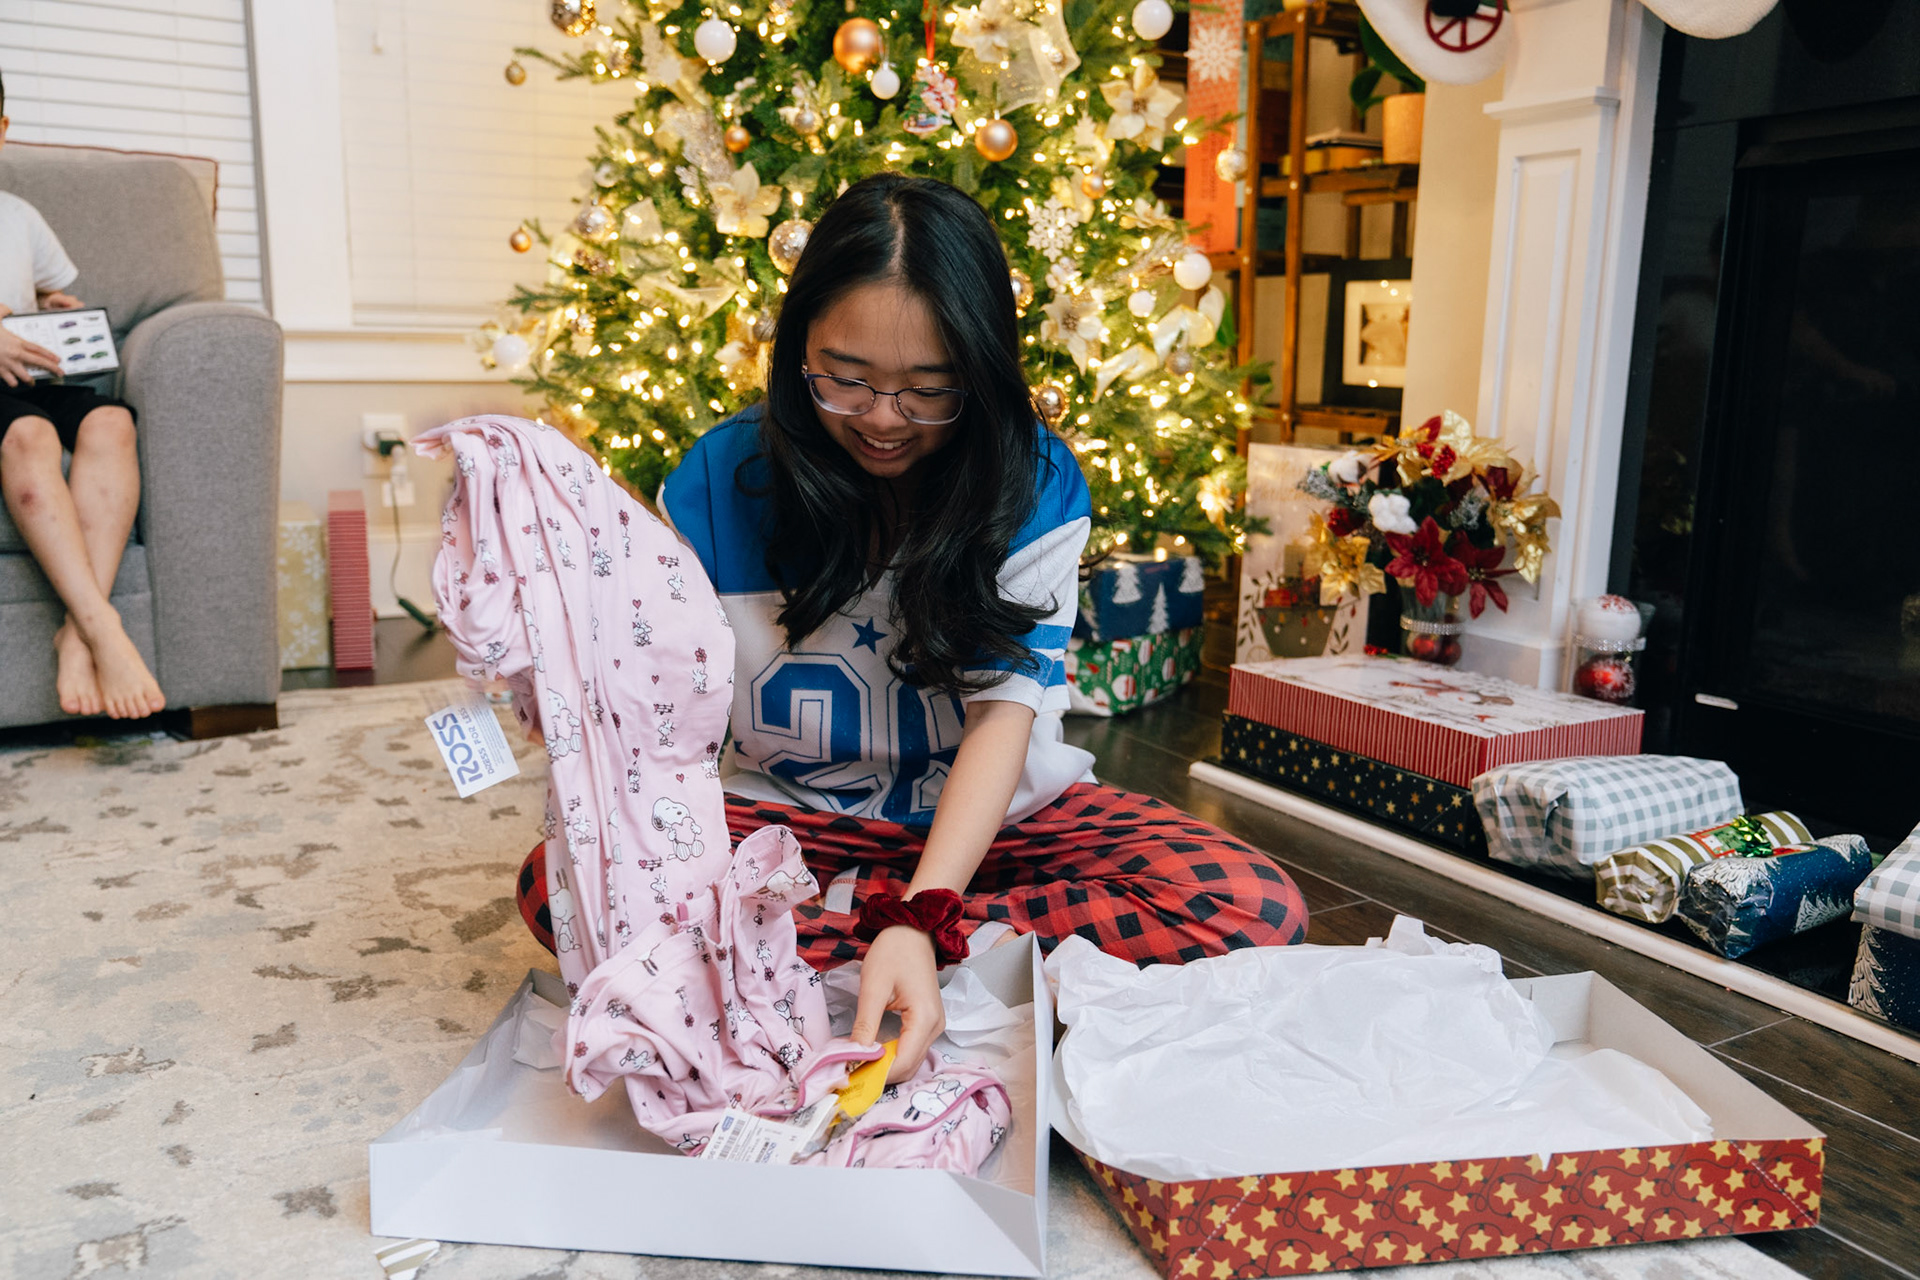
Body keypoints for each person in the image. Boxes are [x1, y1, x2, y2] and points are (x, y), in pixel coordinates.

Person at [517, 173, 1307, 1080]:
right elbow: (659, 709)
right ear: (797, 345)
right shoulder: (713, 482)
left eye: (930, 390)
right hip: (789, 824)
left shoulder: (1034, 484)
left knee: (1252, 905)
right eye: (845, 380)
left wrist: (923, 913)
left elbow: (1002, 718)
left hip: (1002, 827)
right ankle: (935, 960)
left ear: (980, 369)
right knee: (560, 883)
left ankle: (835, 954)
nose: (884, 421)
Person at [0, 71, 164, 720]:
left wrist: (51, 308)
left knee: (111, 423)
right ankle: (104, 628)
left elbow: (37, 291)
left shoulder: (19, 216)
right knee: (31, 436)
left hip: (29, 377)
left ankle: (76, 633)